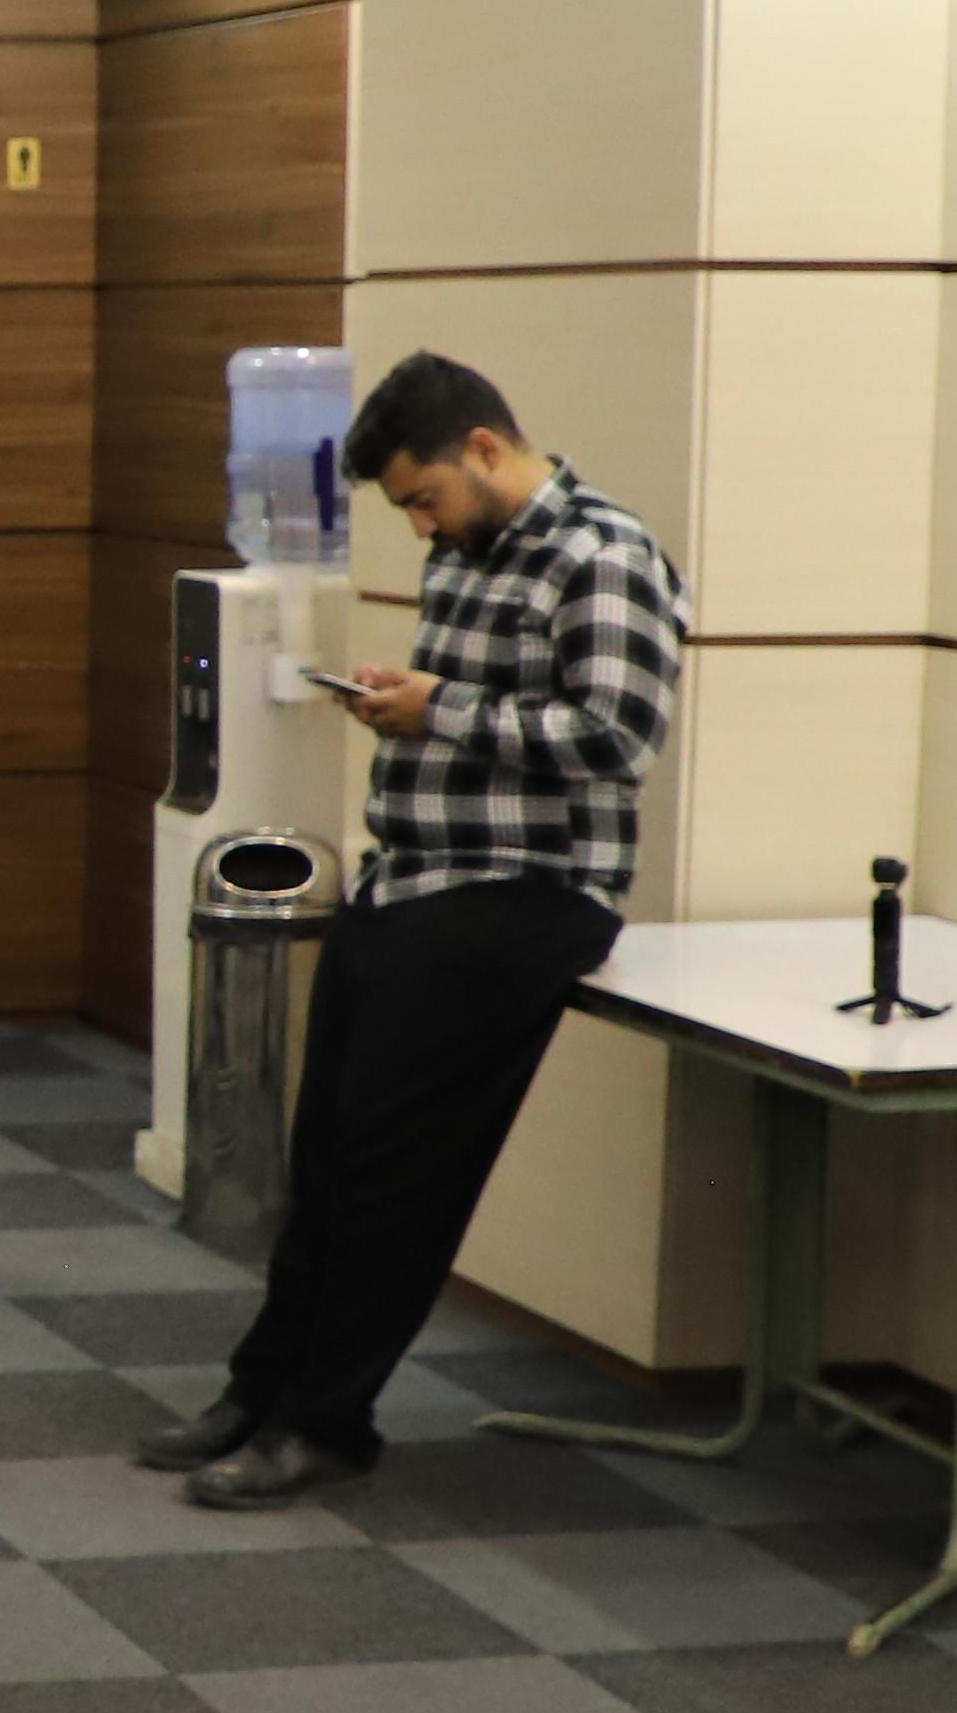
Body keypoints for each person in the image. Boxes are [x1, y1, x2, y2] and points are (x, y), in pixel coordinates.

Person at [134, 352, 678, 1514]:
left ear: (484, 447)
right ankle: (263, 1389)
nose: (421, 524)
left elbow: (616, 736)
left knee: (393, 1175)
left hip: (527, 893)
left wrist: (444, 707)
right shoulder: (467, 549)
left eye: (424, 497)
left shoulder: (605, 555)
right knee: (325, 1153)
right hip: (415, 879)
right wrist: (403, 702)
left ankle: (328, 1422)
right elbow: (482, 710)